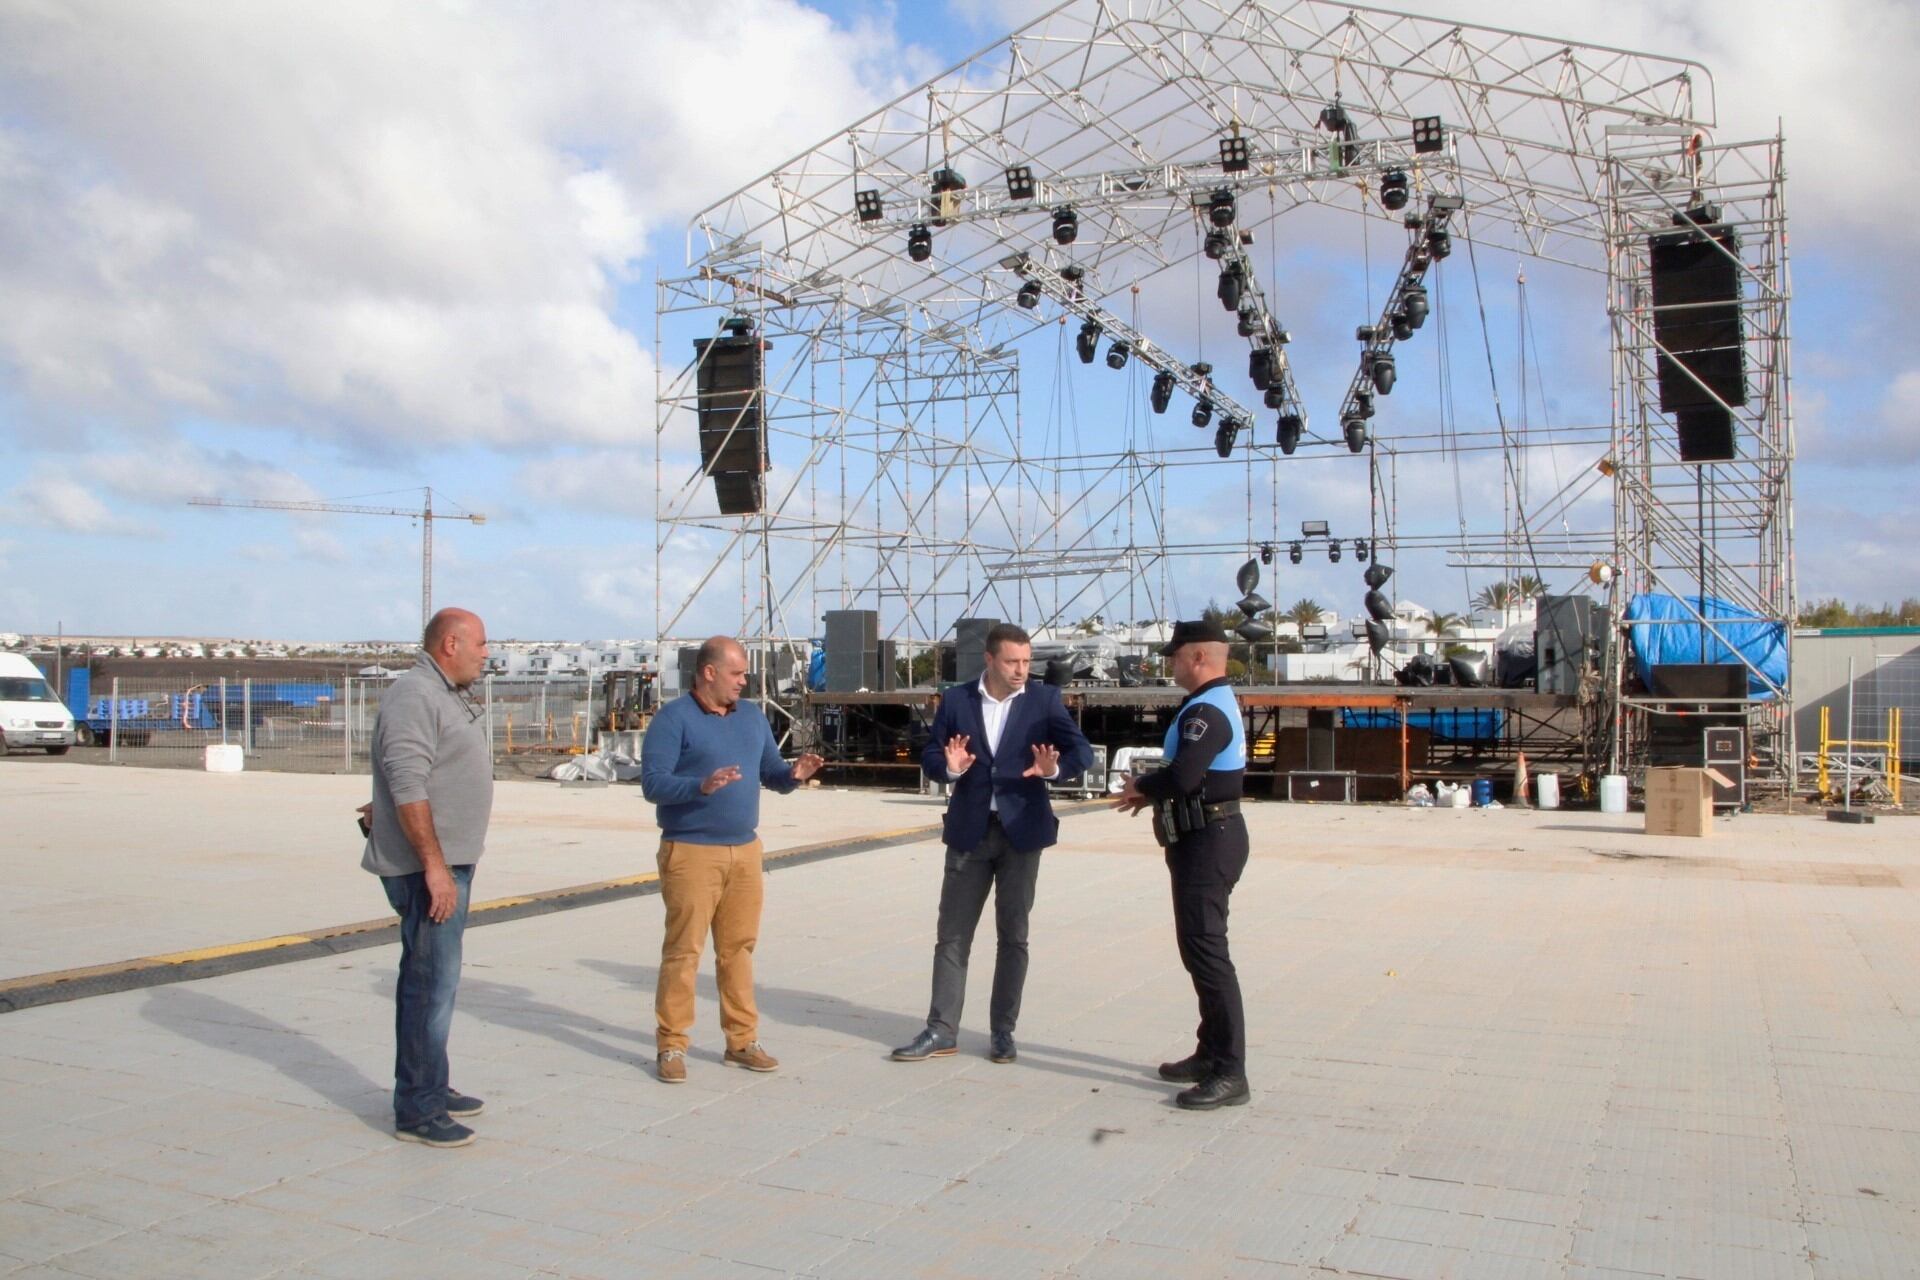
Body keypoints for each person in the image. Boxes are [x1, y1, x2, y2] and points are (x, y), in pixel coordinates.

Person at [892, 623, 1093, 1066]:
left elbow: (1083, 753)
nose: (1022, 670)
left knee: (1013, 936)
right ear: (989, 659)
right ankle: (941, 1030)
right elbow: (930, 755)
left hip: (1022, 833)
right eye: (1012, 662)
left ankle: (1003, 1031)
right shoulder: (958, 699)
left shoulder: (1044, 701)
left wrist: (1052, 772)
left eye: (1026, 662)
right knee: (952, 936)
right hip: (970, 831)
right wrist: (950, 767)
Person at [640, 637, 823, 1084]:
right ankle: (671, 1045)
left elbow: (772, 774)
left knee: (738, 949)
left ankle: (742, 1041)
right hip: (691, 850)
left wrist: (794, 775)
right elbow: (653, 784)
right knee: (684, 951)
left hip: (745, 851)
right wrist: (698, 787)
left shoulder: (752, 718)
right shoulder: (673, 719)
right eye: (737, 673)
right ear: (708, 672)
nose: (745, 681)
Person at [360, 607, 494, 1148]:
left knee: (438, 979)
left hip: (445, 861)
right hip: (428, 868)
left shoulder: (440, 693)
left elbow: (413, 776)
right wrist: (435, 868)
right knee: (428, 984)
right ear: (450, 644)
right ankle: (417, 1107)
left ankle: (431, 1085)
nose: (487, 654)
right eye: (481, 645)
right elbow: (408, 782)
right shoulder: (415, 694)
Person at [1113, 619, 1251, 1110]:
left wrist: (1142, 788)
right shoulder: (1207, 704)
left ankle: (1231, 1071)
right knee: (1198, 949)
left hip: (1208, 838)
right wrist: (1152, 792)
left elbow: (1187, 775)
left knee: (1209, 952)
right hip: (1201, 835)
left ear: (1198, 657)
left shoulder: (1207, 712)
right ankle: (1211, 1052)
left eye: (1175, 654)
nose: (1169, 662)